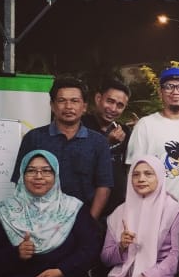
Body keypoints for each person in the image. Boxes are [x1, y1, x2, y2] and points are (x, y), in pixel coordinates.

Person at [12, 77, 113, 219]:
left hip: (82, 220)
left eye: (74, 101)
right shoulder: (34, 138)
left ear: (84, 106)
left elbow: (104, 186)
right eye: (61, 101)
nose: (68, 106)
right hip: (40, 220)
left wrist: (89, 222)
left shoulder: (99, 142)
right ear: (52, 106)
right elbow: (20, 182)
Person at [126, 66, 179, 209]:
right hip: (152, 208)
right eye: (169, 86)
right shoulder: (145, 125)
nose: (175, 91)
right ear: (160, 92)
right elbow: (133, 171)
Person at [83, 79, 134, 217]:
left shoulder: (125, 131)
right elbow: (80, 161)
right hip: (86, 208)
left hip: (117, 211)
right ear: (98, 98)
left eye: (120, 105)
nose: (113, 109)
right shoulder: (82, 126)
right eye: (110, 101)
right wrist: (106, 143)